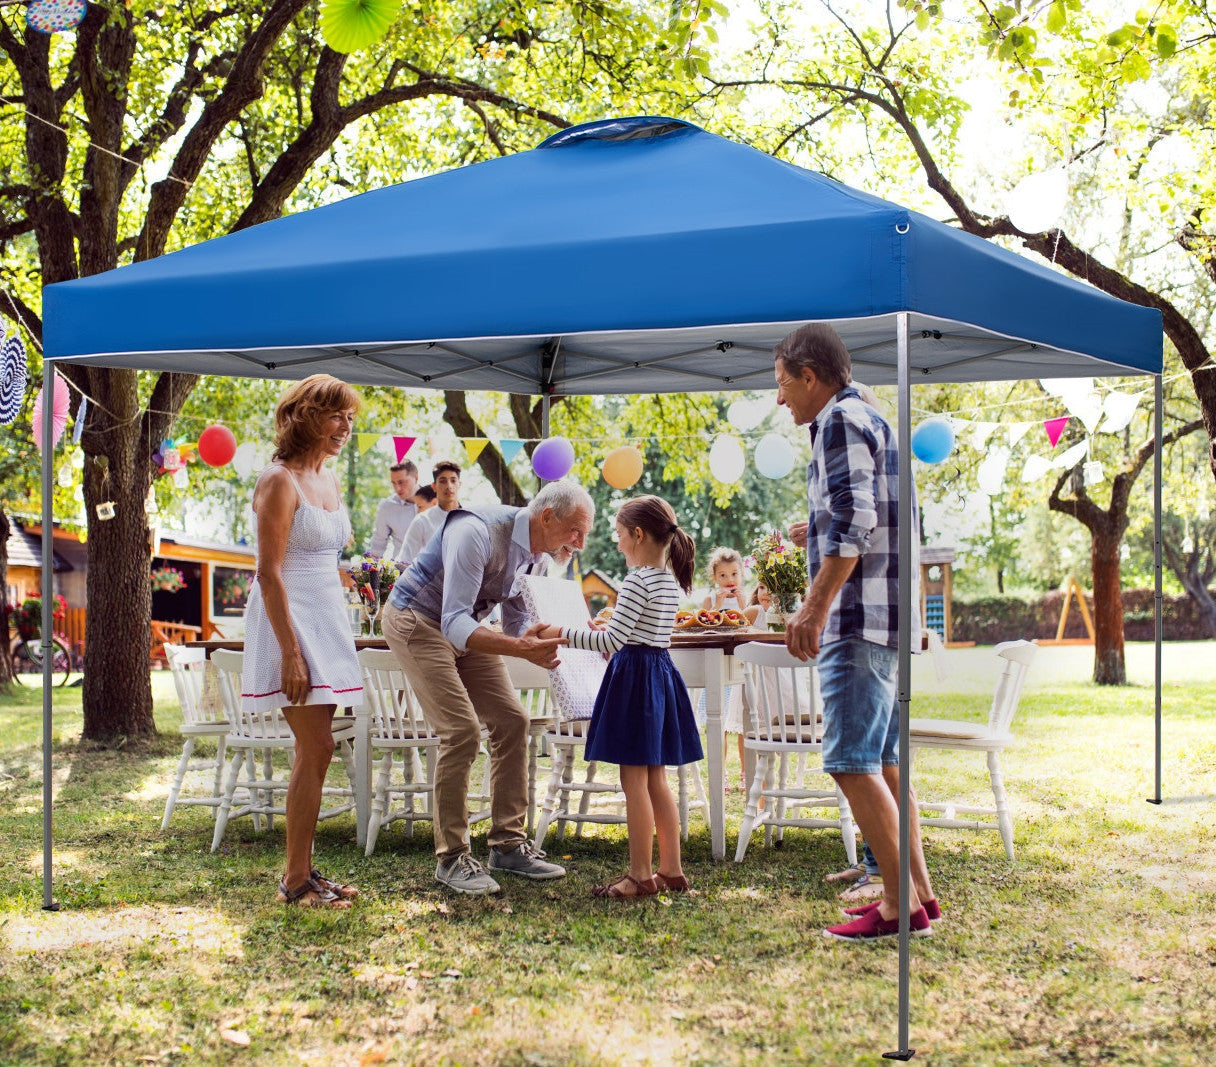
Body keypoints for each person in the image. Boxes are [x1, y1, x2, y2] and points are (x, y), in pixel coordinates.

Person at [774, 323, 938, 942]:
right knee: (887, 765)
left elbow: (854, 522)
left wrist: (813, 608)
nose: (781, 398)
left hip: (856, 618)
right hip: (888, 617)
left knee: (850, 762)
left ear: (811, 376)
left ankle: (900, 909)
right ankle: (920, 893)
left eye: (784, 384)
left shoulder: (841, 421)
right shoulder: (869, 414)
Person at [381, 480, 596, 895]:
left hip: (464, 628)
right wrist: (520, 647)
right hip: (416, 619)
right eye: (576, 531)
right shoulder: (475, 531)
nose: (580, 544)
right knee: (460, 731)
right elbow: (454, 622)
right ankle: (451, 857)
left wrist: (578, 637)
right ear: (546, 516)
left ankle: (508, 845)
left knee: (513, 721)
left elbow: (519, 624)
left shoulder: (537, 555)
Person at [241, 374, 365, 909]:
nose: (345, 427)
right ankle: (294, 881)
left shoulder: (330, 480)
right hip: (287, 622)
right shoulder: (278, 481)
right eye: (336, 415)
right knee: (316, 744)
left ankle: (304, 872)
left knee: (319, 747)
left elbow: (323, 563)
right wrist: (290, 650)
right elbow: (269, 573)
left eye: (351, 418)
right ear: (305, 415)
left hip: (327, 619)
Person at [538, 495, 702, 898]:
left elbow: (612, 639)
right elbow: (629, 634)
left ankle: (640, 875)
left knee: (634, 783)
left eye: (618, 534)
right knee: (657, 780)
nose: (616, 542)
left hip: (635, 682)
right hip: (658, 675)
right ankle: (672, 870)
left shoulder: (637, 579)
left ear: (638, 534)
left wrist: (559, 632)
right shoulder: (666, 580)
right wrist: (596, 632)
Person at [401, 459, 462, 562]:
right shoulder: (422, 521)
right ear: (434, 486)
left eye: (453, 480)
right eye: (442, 481)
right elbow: (405, 560)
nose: (449, 486)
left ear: (459, 484)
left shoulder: (471, 518)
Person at [367, 460, 419, 560]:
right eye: (394, 483)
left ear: (416, 478)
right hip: (403, 572)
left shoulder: (435, 502)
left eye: (401, 482)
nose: (397, 488)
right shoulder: (387, 507)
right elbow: (377, 546)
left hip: (436, 573)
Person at [701, 547, 749, 612]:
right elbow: (703, 621)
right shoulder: (709, 600)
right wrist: (716, 606)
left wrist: (744, 607)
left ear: (742, 574)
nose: (730, 580)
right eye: (723, 575)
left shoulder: (749, 599)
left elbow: (752, 622)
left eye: (734, 574)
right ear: (715, 577)